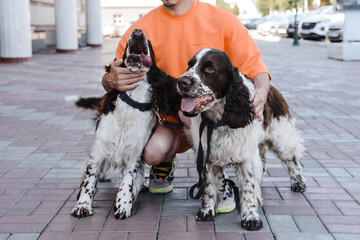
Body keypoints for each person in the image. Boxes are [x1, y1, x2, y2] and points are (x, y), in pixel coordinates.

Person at [102, 0, 270, 213]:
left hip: (216, 118)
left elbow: (257, 70)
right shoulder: (142, 28)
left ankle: (221, 178)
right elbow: (110, 77)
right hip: (170, 116)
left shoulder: (224, 20)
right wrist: (110, 80)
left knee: (196, 119)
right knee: (153, 154)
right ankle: (166, 162)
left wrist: (262, 92)